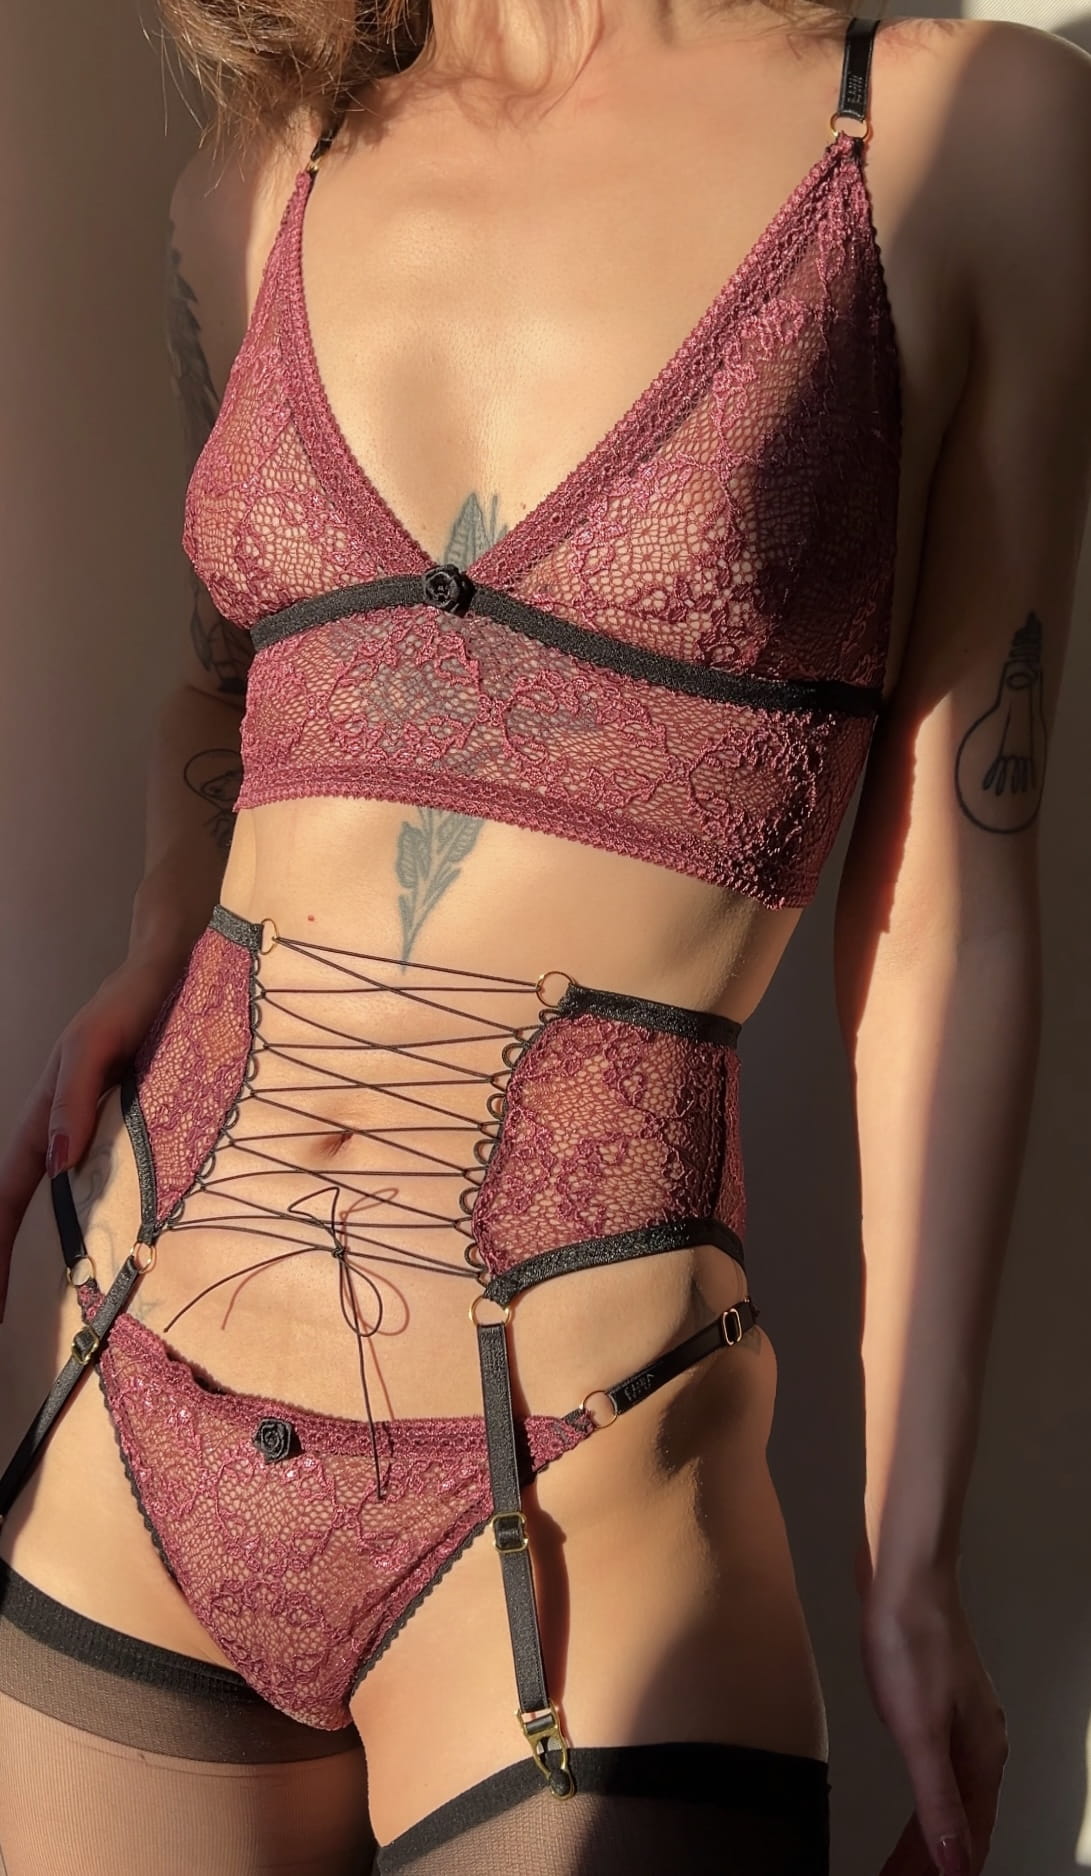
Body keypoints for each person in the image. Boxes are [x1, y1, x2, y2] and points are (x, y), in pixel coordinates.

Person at [0, 3, 1088, 1871]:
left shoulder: (963, 135)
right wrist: (157, 931)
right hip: (136, 1380)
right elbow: (231, 684)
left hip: (583, 1470)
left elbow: (951, 900)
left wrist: (911, 1554)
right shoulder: (259, 178)